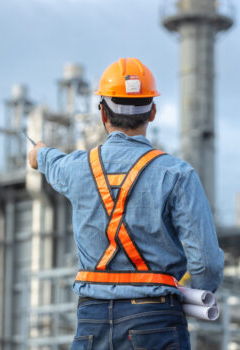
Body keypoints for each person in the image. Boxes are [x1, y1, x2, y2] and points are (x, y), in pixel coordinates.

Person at [28, 58, 224, 350]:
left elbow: (45, 158)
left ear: (103, 113)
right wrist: (196, 296)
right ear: (152, 112)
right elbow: (206, 263)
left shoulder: (76, 168)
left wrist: (38, 153)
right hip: (155, 320)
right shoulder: (177, 174)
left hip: (91, 322)